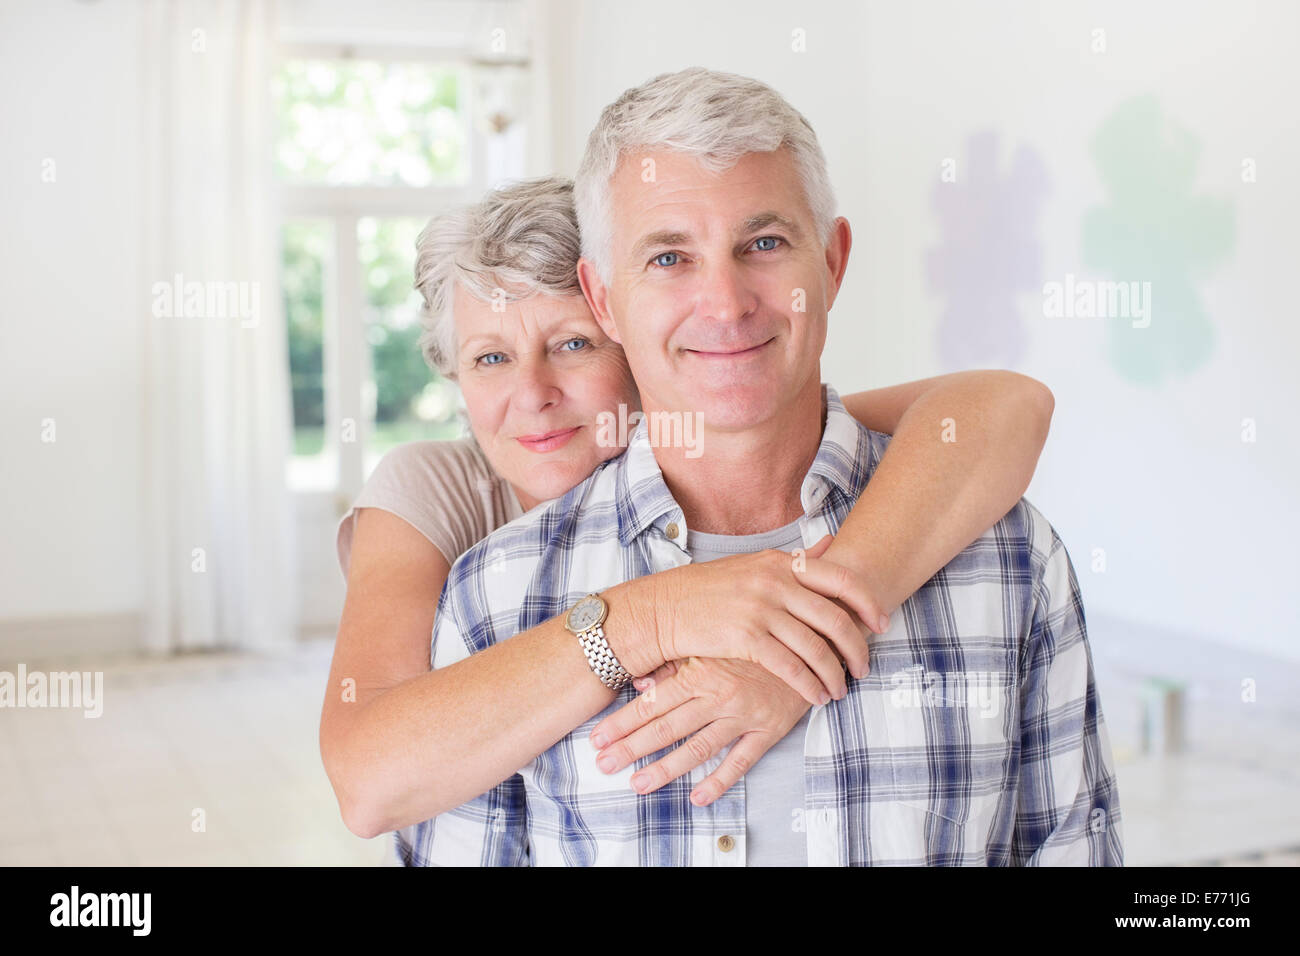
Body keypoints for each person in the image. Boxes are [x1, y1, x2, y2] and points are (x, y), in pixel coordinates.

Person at [392, 67, 1122, 867]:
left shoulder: (1008, 558)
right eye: (669, 257)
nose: (727, 302)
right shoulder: (495, 595)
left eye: (764, 243)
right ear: (604, 300)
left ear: (833, 263)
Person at [322, 177, 1055, 841]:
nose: (532, 394)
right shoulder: (440, 496)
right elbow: (368, 782)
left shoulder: (715, 445)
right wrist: (645, 617)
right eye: (489, 359)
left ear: (631, 338)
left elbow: (1001, 405)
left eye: (572, 345)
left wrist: (805, 641)